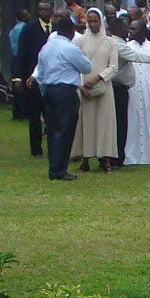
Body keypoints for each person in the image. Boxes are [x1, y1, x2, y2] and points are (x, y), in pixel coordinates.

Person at [31, 9, 94, 182]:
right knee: (64, 131)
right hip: (65, 92)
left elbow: (41, 73)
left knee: (52, 131)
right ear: (72, 32)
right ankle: (60, 170)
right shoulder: (70, 48)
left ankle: (54, 168)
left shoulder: (46, 47)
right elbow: (87, 67)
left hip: (49, 91)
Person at [109, 15, 150, 166]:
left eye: (133, 28)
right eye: (129, 28)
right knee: (128, 121)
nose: (130, 31)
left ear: (143, 30)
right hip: (128, 89)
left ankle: (148, 156)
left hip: (146, 89)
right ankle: (128, 156)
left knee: (147, 118)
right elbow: (137, 57)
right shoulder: (124, 45)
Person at [70, 8, 119, 173]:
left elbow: (113, 67)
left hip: (104, 87)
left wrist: (98, 78)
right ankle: (85, 160)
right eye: (89, 21)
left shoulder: (109, 42)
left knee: (105, 124)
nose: (92, 24)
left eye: (95, 21)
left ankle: (106, 160)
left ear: (101, 21)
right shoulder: (80, 41)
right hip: (84, 89)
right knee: (87, 123)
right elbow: (73, 64)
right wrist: (82, 86)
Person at [13, 1, 50, 156]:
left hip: (51, 78)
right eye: (40, 10)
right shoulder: (29, 28)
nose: (42, 12)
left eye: (45, 10)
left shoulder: (55, 29)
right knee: (34, 114)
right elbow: (21, 53)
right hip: (32, 78)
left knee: (50, 114)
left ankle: (52, 145)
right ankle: (36, 149)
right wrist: (18, 77)